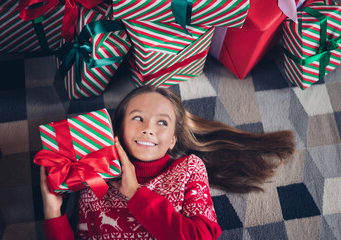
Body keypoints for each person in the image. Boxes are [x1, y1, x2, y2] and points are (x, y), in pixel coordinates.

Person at [40, 86, 295, 240]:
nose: (149, 128)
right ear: (116, 130)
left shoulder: (188, 169)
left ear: (173, 140)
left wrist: (134, 194)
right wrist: (53, 211)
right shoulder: (92, 179)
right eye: (138, 118)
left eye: (162, 123)